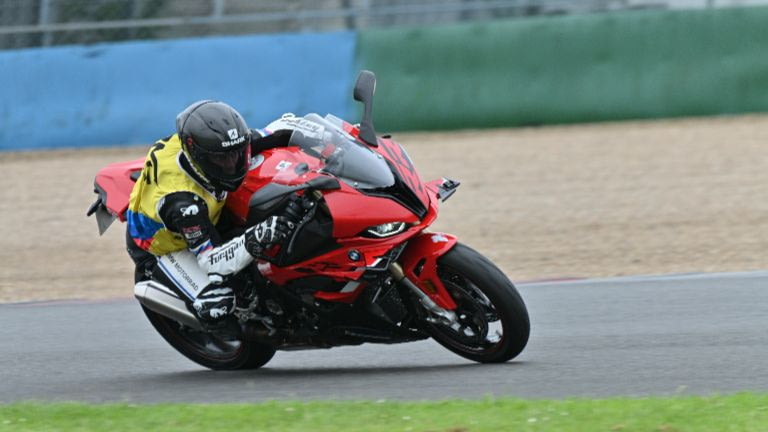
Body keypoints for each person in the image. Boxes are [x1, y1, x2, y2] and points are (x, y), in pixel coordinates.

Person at [125, 100, 296, 326]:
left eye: (237, 154)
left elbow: (272, 132)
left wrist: (321, 135)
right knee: (218, 303)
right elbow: (213, 262)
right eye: (221, 159)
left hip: (204, 211)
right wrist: (255, 237)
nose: (232, 165)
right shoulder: (184, 205)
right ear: (198, 156)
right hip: (166, 247)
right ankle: (241, 331)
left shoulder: (209, 145)